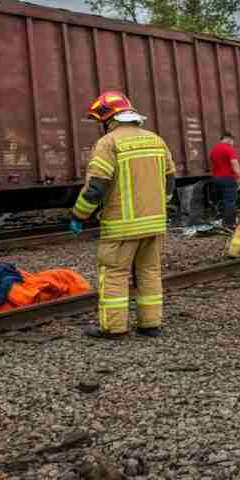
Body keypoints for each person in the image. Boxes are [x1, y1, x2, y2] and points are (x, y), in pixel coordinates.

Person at [74, 91, 175, 339]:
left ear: (110, 119)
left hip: (121, 226)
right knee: (149, 273)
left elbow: (96, 186)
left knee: (114, 274)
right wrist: (159, 207)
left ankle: (114, 328)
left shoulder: (108, 143)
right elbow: (170, 180)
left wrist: (78, 215)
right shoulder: (156, 140)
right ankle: (150, 325)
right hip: (154, 224)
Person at [209, 133, 240, 228]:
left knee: (225, 200)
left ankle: (225, 221)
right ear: (228, 139)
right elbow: (234, 164)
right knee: (231, 201)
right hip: (228, 178)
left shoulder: (214, 150)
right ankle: (229, 223)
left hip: (217, 178)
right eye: (232, 141)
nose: (232, 144)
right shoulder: (228, 149)